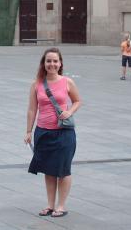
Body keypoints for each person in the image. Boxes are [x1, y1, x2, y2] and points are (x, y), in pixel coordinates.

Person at [24, 47, 81, 219]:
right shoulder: (37, 84)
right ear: (44, 63)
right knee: (49, 170)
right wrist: (28, 131)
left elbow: (78, 101)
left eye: (55, 61)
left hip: (64, 133)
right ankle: (50, 205)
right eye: (48, 61)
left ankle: (61, 206)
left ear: (60, 63)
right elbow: (32, 110)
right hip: (43, 132)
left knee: (63, 169)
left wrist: (69, 112)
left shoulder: (67, 82)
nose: (52, 64)